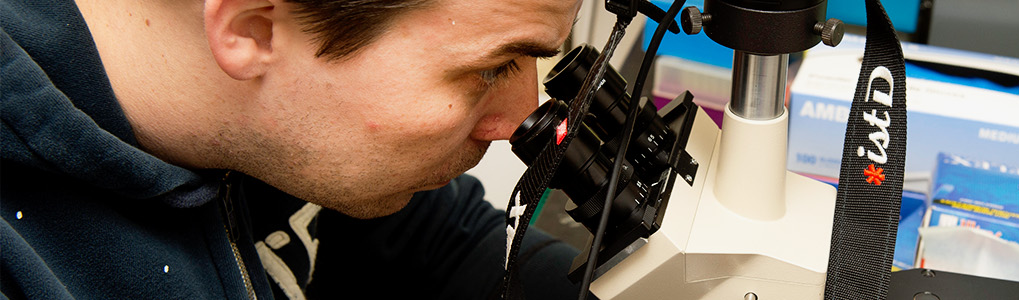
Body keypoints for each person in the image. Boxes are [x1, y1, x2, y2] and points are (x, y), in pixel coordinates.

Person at [2, 0, 585, 298]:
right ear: (254, 28)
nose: (518, 121)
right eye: (493, 66)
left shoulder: (297, 132)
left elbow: (444, 247)